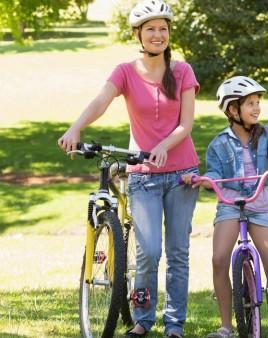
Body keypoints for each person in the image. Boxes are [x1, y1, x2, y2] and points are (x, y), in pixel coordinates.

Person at [57, 1, 199, 337]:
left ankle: (175, 324)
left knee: (178, 252)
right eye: (150, 29)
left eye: (163, 28)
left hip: (182, 174)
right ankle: (143, 320)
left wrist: (163, 146)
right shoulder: (124, 71)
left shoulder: (182, 72)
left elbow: (187, 124)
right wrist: (76, 127)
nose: (158, 35)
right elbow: (101, 101)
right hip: (144, 175)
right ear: (138, 33)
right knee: (148, 252)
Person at [182, 76, 268, 338]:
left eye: (258, 102)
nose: (256, 108)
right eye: (250, 103)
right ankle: (226, 326)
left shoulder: (267, 134)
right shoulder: (218, 143)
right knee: (219, 258)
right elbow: (213, 171)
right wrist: (203, 179)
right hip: (230, 203)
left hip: (259, 203)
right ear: (233, 110)